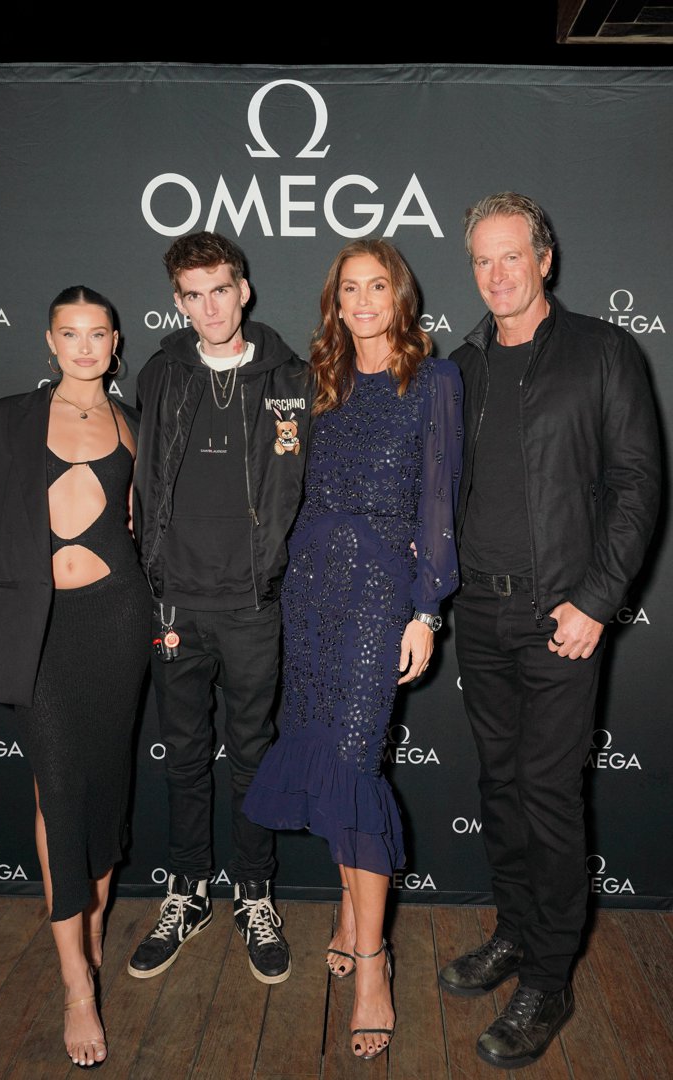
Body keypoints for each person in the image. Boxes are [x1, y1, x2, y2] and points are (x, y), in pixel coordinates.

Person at [438, 192, 661, 1069]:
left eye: (511, 257)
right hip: (480, 615)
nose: (497, 275)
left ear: (545, 259)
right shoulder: (460, 367)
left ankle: (551, 976)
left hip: (560, 615)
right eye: (482, 262)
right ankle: (516, 930)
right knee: (498, 786)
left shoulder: (603, 351)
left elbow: (638, 484)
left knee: (548, 795)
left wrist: (597, 600)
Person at [243, 239, 464, 1060]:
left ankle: (373, 961)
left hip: (380, 596)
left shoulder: (434, 381)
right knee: (327, 754)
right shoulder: (316, 384)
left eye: (378, 286)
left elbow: (438, 501)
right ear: (333, 301)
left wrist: (425, 610)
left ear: (400, 296)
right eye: (349, 288)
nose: (363, 300)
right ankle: (347, 908)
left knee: (358, 757)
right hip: (309, 589)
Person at [0, 286, 151, 1068]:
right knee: (59, 786)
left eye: (97, 333)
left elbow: (150, 526)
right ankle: (76, 980)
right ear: (48, 340)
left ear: (114, 342)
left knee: (103, 786)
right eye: (69, 333)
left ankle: (94, 924)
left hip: (119, 621)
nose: (83, 346)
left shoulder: (137, 424)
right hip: (37, 633)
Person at [129, 231, 311, 985]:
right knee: (183, 757)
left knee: (254, 757)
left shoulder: (290, 377)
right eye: (193, 295)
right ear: (178, 302)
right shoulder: (162, 373)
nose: (210, 307)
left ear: (245, 290)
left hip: (251, 605)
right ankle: (186, 890)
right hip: (176, 602)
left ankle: (254, 892)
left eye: (221, 289)